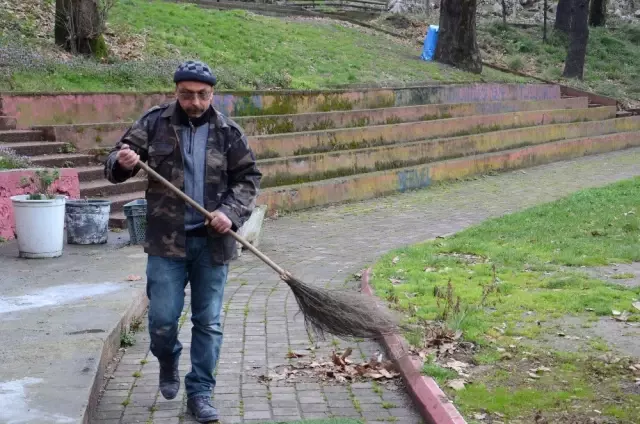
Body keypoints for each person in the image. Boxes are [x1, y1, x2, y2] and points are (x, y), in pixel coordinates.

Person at [104, 60, 262, 422]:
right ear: (176, 92)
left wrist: (231, 213)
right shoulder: (154, 123)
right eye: (186, 94)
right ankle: (167, 358)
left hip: (212, 243)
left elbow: (248, 179)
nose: (194, 102)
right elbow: (113, 164)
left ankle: (201, 393)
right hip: (166, 242)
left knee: (208, 321)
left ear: (212, 94)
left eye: (202, 95)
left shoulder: (228, 132)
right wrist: (125, 160)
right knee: (161, 320)